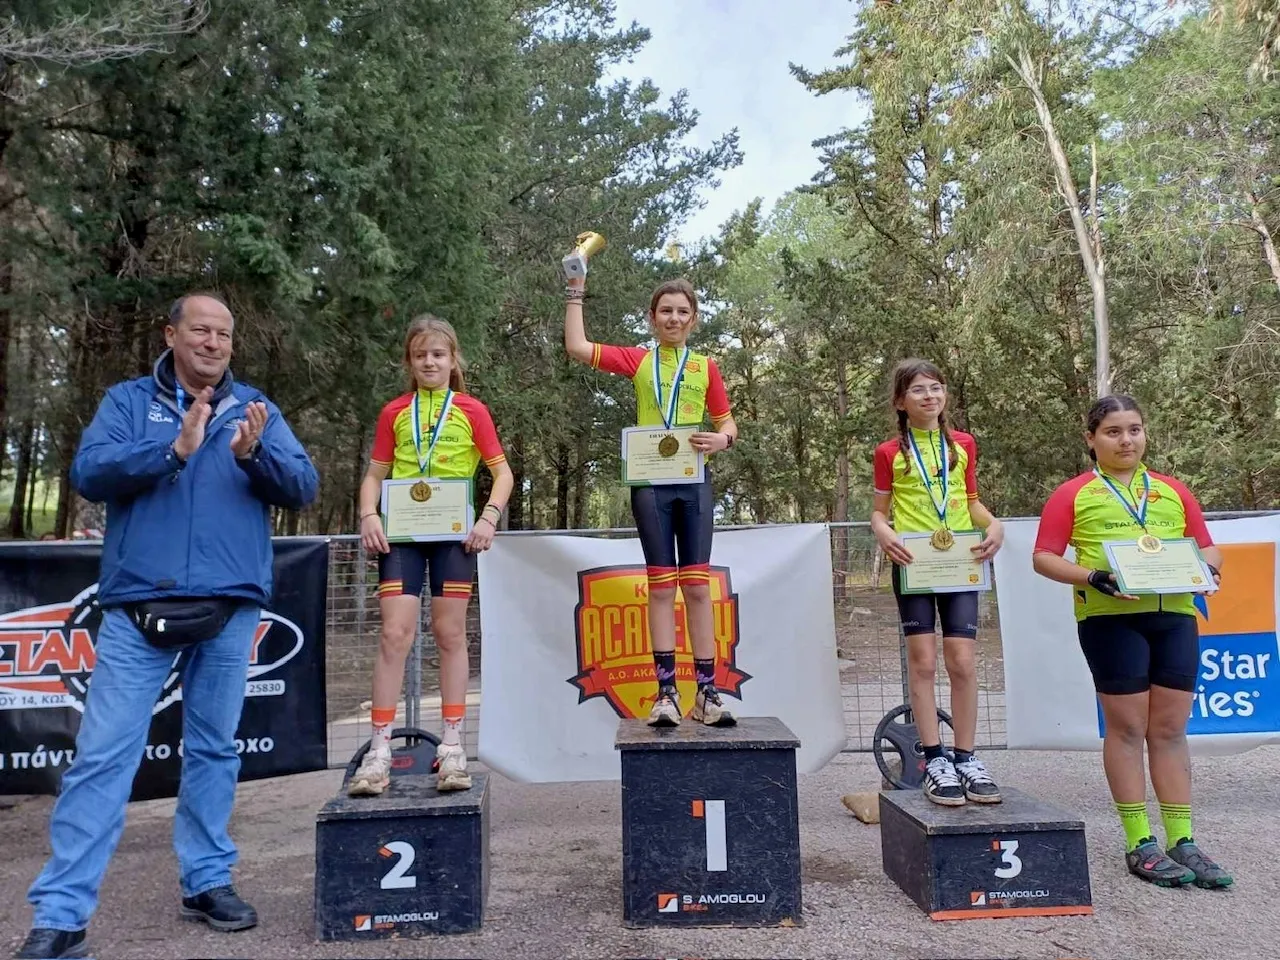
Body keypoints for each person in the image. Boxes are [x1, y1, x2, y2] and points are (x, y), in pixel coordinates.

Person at [16, 293, 319, 960]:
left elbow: (303, 486)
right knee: (103, 757)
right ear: (171, 335)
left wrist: (256, 456)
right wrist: (172, 449)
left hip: (231, 608)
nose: (213, 343)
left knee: (214, 750)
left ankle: (207, 880)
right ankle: (61, 916)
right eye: (200, 330)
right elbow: (90, 472)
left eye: (224, 334)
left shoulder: (255, 408)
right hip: (137, 610)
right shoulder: (127, 402)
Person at [1032, 394, 1232, 889]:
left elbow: (1208, 546)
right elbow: (1044, 557)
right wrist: (1093, 577)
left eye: (1134, 430)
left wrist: (1207, 569)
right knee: (1126, 729)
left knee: (1170, 729)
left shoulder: (1171, 490)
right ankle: (1140, 842)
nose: (1126, 440)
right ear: (1091, 439)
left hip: (1175, 617)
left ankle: (1182, 839)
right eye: (1113, 432)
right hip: (1111, 621)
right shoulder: (1073, 493)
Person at [563, 272, 739, 727]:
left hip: (693, 481)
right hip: (650, 483)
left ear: (694, 319)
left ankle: (706, 694)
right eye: (666, 311)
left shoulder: (705, 367)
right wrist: (575, 289)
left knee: (697, 587)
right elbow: (577, 346)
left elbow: (727, 423)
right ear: (652, 317)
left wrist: (722, 440)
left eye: (683, 311)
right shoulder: (639, 361)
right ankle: (666, 695)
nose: (674, 318)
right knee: (661, 587)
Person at [347, 315, 513, 797]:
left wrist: (489, 518)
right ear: (409, 361)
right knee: (393, 634)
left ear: (453, 358)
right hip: (401, 534)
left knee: (450, 633)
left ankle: (453, 747)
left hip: (454, 536)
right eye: (420, 355)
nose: (429, 362)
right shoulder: (394, 412)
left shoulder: (472, 410)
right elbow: (374, 476)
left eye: (438, 354)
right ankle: (379, 751)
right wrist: (368, 515)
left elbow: (502, 473)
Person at [870, 359, 1004, 806]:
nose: (929, 396)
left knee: (962, 661)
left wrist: (994, 525)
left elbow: (972, 502)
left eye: (936, 388)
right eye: (918, 390)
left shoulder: (963, 444)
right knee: (923, 662)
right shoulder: (889, 452)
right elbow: (879, 511)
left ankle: (966, 757)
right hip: (915, 563)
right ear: (900, 402)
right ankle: (934, 760)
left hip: (960, 562)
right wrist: (883, 531)